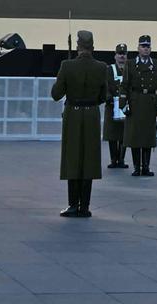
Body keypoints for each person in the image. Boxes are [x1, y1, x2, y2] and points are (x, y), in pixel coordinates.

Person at [50, 29, 108, 217]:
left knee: (72, 157)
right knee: (89, 159)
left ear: (77, 46)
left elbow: (56, 94)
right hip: (91, 115)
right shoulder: (101, 67)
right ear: (92, 46)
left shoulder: (66, 66)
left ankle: (73, 204)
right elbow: (103, 96)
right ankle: (85, 206)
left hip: (73, 115)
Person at [122, 33, 157, 177]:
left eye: (148, 46)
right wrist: (123, 103)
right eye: (143, 46)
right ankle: (136, 167)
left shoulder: (156, 64)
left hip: (150, 102)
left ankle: (146, 166)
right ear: (138, 48)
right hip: (135, 101)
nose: (145, 49)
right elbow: (124, 85)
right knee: (135, 136)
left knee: (147, 136)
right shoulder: (131, 63)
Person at [103, 42, 129, 169]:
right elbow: (105, 85)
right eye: (119, 54)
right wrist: (109, 98)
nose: (121, 56)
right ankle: (113, 159)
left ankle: (122, 159)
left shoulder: (130, 69)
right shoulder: (109, 69)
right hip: (112, 105)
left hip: (125, 105)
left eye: (124, 54)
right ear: (115, 56)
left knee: (124, 133)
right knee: (112, 133)